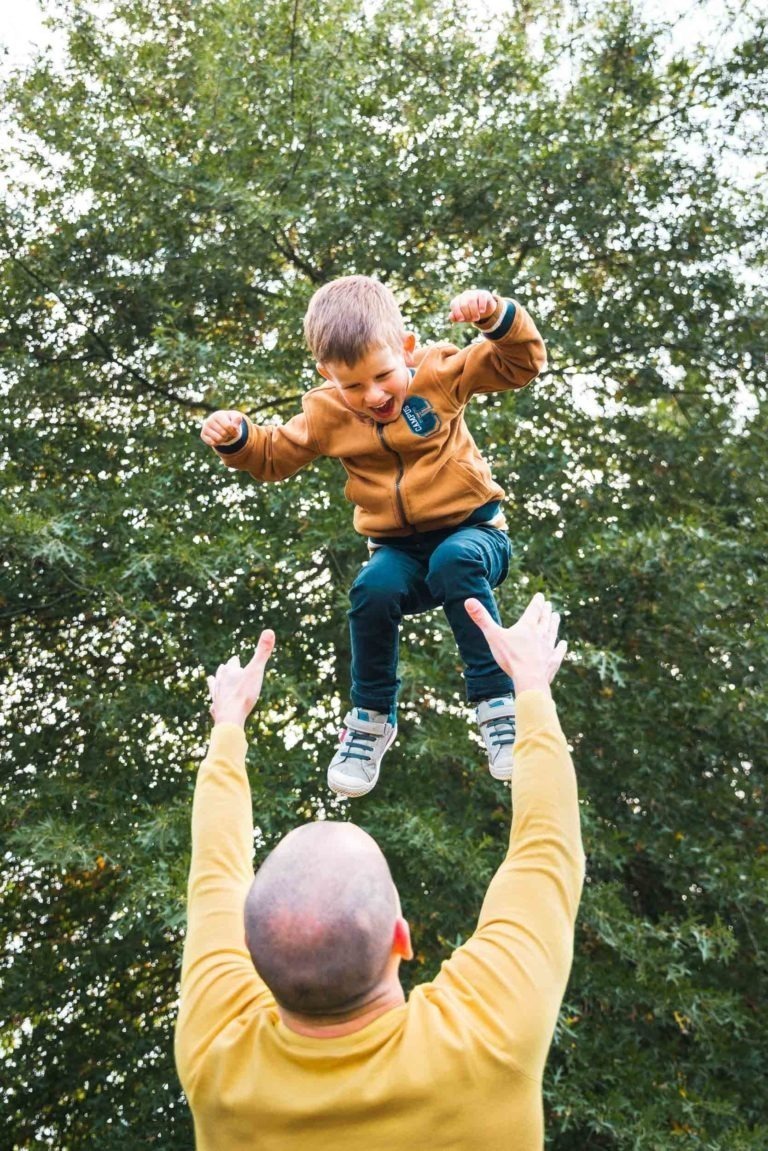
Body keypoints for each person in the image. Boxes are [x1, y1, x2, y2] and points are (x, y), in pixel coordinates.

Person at [174, 593, 585, 1151]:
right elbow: (545, 850)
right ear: (402, 937)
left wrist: (226, 728)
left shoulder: (217, 1058)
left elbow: (213, 876)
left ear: (248, 947)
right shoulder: (485, 1043)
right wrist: (530, 685)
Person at [200, 276, 547, 796]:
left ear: (406, 348)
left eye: (384, 375)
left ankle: (499, 707)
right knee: (370, 590)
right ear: (328, 375)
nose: (374, 396)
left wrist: (494, 316)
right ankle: (370, 719)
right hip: (400, 553)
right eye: (354, 386)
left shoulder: (440, 373)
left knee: (454, 560)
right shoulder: (327, 413)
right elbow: (272, 457)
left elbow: (519, 364)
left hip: (475, 535)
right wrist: (238, 437)